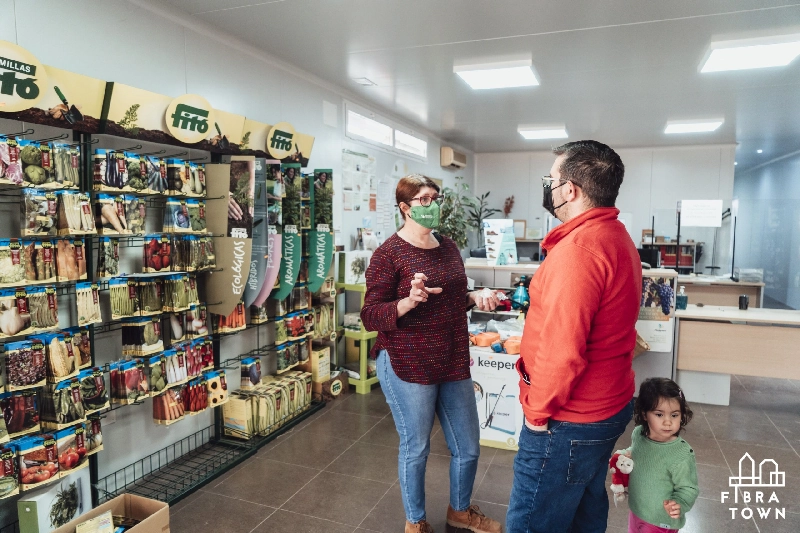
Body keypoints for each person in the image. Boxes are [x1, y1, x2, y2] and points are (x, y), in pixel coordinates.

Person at [507, 141, 642, 533]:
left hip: (569, 418)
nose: (547, 186)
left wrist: (536, 415)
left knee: (533, 522)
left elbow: (561, 351)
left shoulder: (580, 251)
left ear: (570, 190)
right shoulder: (614, 235)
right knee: (583, 510)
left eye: (550, 179)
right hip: (606, 407)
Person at [361, 174, 504, 533]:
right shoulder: (388, 254)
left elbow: (457, 295)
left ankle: (460, 511)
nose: (433, 204)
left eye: (435, 197)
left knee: (468, 447)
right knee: (417, 449)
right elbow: (369, 315)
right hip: (408, 363)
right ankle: (415, 522)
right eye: (424, 199)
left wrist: (475, 296)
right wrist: (407, 302)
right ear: (405, 207)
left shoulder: (449, 246)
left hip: (452, 358)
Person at [623, 378, 699, 532]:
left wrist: (679, 503)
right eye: (659, 414)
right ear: (644, 414)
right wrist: (623, 457)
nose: (667, 422)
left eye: (674, 415)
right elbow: (635, 452)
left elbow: (689, 488)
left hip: (661, 520)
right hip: (637, 511)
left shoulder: (681, 454)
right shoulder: (638, 434)